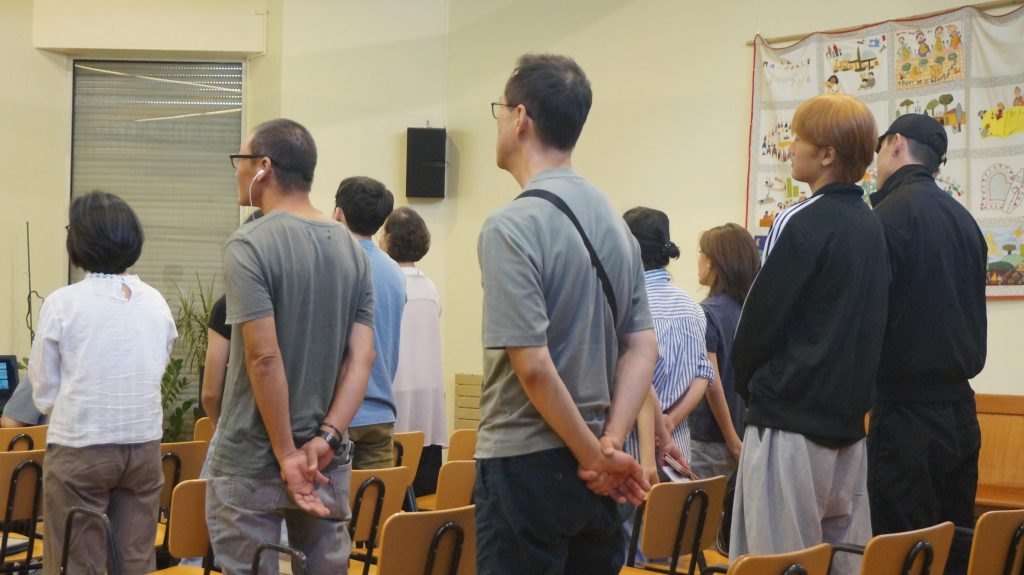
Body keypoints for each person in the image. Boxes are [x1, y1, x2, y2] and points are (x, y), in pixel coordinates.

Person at [475, 53, 657, 575]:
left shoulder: (511, 226)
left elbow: (533, 366)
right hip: (598, 466)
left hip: (525, 462)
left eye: (500, 110)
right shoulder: (616, 224)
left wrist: (595, 456)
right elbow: (643, 346)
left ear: (520, 118)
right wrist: (609, 443)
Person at [729, 93, 889, 575]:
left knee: (775, 565)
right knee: (842, 564)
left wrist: (752, 389)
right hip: (848, 430)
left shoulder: (800, 219)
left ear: (827, 154)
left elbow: (759, 321)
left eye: (799, 138)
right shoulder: (871, 226)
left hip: (789, 424)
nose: (790, 147)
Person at [207, 118, 375, 575]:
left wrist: (286, 454)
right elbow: (362, 358)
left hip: (253, 458)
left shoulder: (249, 243)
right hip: (325, 461)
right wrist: (326, 437)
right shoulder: (351, 250)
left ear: (263, 167)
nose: (237, 171)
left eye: (240, 161)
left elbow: (264, 357)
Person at [30, 191, 176, 575]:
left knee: (77, 562)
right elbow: (157, 367)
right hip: (144, 446)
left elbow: (43, 390)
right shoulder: (156, 302)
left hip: (80, 446)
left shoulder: (63, 303)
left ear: (78, 242)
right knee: (136, 560)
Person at [869, 114, 987, 575]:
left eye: (880, 148)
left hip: (906, 414)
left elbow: (871, 318)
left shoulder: (887, 217)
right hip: (961, 412)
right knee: (956, 545)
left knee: (905, 551)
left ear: (896, 144)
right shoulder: (965, 221)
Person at [621, 207, 713, 469]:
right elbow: (703, 374)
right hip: (678, 453)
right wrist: (671, 420)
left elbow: (637, 380)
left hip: (632, 455)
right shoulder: (693, 308)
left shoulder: (629, 307)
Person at [333, 176, 406, 470]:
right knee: (376, 499)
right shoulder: (395, 272)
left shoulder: (332, 263)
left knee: (332, 501)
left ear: (338, 214)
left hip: (337, 416)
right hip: (381, 414)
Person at [380, 206, 447, 494]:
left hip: (395, 389)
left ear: (389, 238)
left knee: (392, 489)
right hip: (429, 395)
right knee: (425, 488)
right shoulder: (430, 287)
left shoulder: (387, 283)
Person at [689, 223, 761, 481]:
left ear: (711, 261)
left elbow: (711, 382)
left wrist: (731, 440)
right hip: (747, 436)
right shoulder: (753, 312)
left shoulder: (706, 313)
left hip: (711, 440)